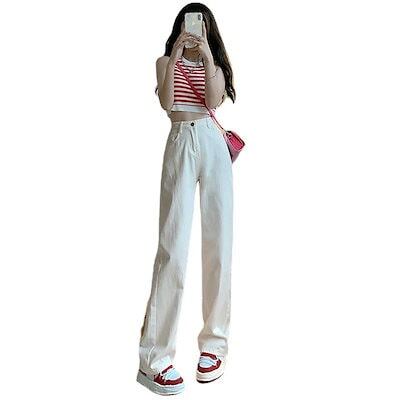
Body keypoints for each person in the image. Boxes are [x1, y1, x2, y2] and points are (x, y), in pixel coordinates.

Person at [136, 3, 236, 395]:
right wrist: (177, 52)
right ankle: (154, 357)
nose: (193, 30)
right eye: (188, 23)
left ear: (209, 30)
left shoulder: (217, 67)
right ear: (179, 27)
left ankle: (214, 345)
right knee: (172, 248)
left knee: (218, 246)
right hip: (180, 142)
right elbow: (166, 103)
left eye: (200, 25)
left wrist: (207, 54)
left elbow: (212, 100)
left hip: (212, 144)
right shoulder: (164, 62)